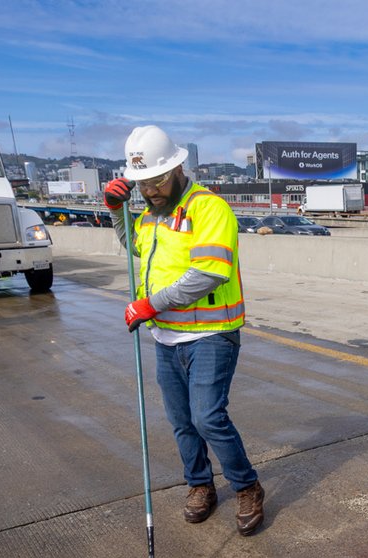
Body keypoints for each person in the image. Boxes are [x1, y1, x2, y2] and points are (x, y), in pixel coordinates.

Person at [103, 125, 264, 536]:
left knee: (207, 417)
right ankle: (200, 485)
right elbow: (135, 247)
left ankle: (246, 486)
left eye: (157, 181)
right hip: (166, 337)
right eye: (142, 184)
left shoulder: (208, 208)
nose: (150, 191)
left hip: (211, 334)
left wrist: (149, 305)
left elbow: (208, 272)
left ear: (177, 169)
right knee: (182, 421)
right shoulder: (150, 215)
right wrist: (116, 211)